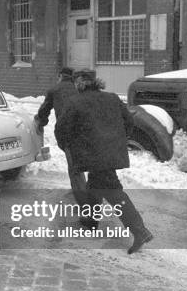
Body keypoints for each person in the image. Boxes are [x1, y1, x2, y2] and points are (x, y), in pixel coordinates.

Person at [54, 69, 153, 254]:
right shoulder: (112, 98)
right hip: (110, 152)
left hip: (91, 154)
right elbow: (129, 121)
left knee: (113, 191)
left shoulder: (74, 102)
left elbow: (61, 129)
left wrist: (68, 145)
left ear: (79, 83)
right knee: (95, 185)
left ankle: (140, 231)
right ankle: (90, 222)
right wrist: (118, 139)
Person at [34, 67, 87, 200]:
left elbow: (44, 111)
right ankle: (82, 189)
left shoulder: (54, 90)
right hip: (85, 130)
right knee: (80, 163)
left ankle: (83, 198)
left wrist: (40, 122)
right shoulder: (79, 89)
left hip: (68, 131)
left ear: (60, 76)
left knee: (74, 167)